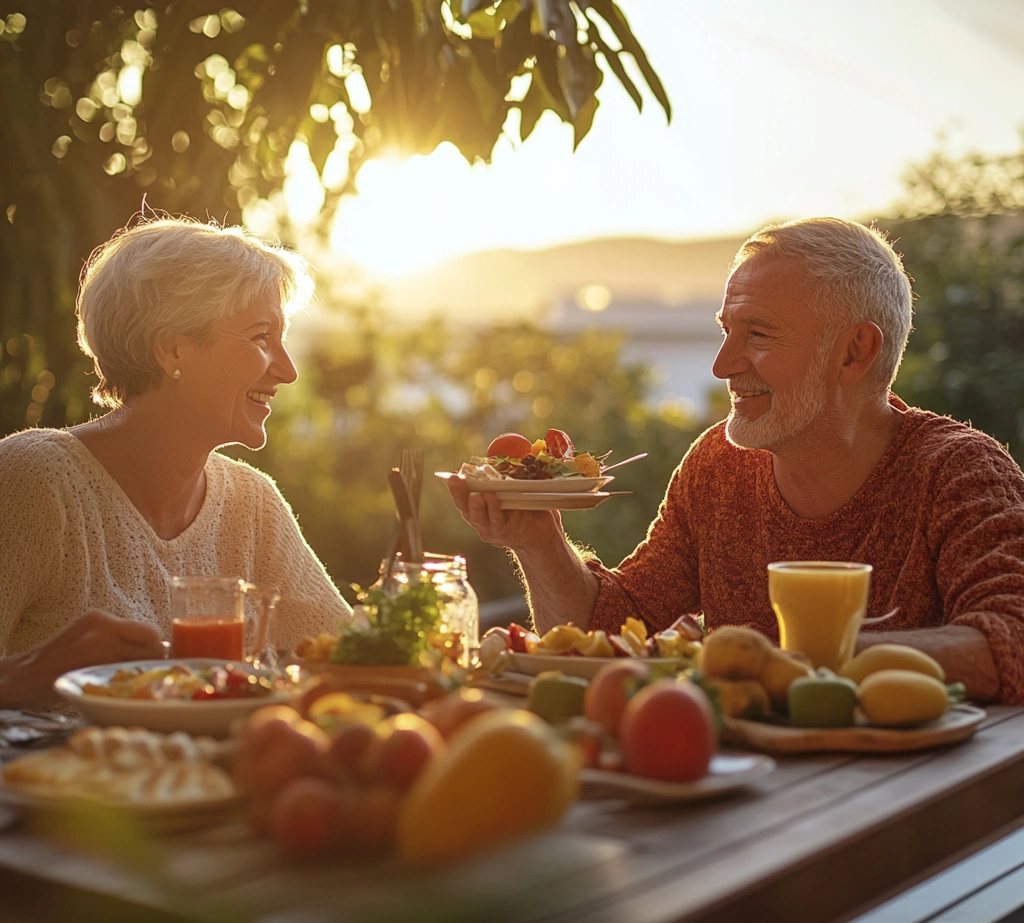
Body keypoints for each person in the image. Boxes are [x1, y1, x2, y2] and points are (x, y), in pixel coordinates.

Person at [449, 217, 1024, 703]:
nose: (722, 365)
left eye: (758, 334)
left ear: (855, 352)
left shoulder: (961, 473)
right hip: (741, 799)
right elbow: (606, 632)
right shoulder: (718, 468)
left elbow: (1012, 639)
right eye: (726, 331)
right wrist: (541, 542)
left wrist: (794, 662)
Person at [0, 217, 351, 707]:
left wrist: (502, 536)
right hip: (50, 781)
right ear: (173, 349)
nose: (288, 371)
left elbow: (357, 664)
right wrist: (23, 677)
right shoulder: (35, 479)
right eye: (260, 337)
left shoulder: (251, 503)